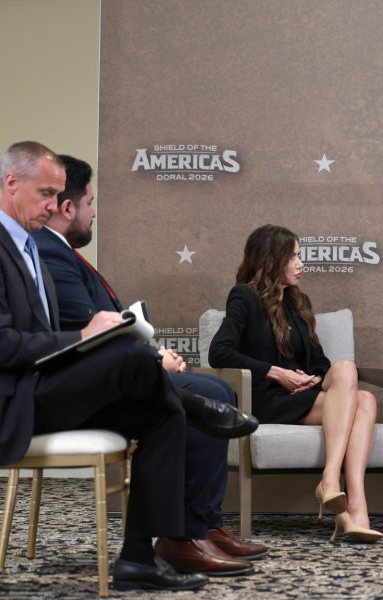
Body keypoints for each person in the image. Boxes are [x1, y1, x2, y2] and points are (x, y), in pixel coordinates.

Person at [0, 141, 257, 592]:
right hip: (7, 406)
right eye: (46, 194)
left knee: (166, 413)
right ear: (12, 182)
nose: (54, 207)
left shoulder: (28, 249)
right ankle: (198, 404)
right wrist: (86, 336)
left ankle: (137, 560)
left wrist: (93, 338)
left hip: (38, 391)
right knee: (131, 354)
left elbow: (40, 343)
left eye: (58, 196)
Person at [32, 155, 268, 576]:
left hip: (108, 376)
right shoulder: (52, 255)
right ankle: (184, 536)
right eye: (91, 202)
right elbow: (86, 330)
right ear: (68, 209)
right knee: (210, 393)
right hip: (83, 391)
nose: (94, 211)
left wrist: (151, 353)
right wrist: (154, 356)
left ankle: (203, 527)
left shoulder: (59, 253)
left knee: (212, 392)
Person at [209, 224, 382, 543]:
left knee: (357, 386)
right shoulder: (244, 296)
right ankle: (343, 497)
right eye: (293, 257)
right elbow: (219, 351)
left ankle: (349, 500)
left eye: (300, 256)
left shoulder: (298, 301)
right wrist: (276, 372)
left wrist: (311, 378)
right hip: (268, 398)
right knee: (363, 399)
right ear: (271, 260)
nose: (301, 264)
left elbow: (319, 360)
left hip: (303, 395)